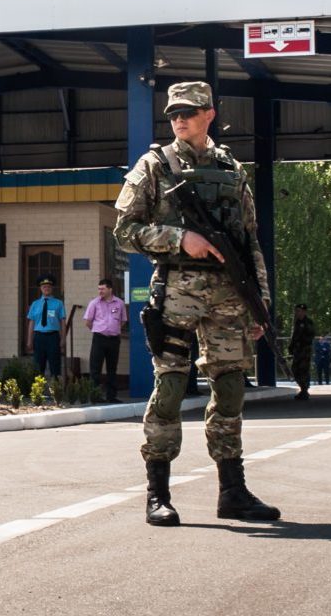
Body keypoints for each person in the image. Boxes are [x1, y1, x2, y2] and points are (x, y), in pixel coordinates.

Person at [115, 80, 281, 527]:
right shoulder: (154, 165)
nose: (179, 119)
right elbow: (125, 231)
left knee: (230, 390)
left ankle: (232, 492)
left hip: (230, 296)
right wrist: (178, 238)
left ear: (210, 112)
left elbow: (250, 243)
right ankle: (158, 493)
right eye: (172, 114)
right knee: (170, 387)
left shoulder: (231, 168)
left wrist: (259, 303)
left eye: (188, 111)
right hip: (178, 291)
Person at [83, 277, 127, 403]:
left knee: (112, 369)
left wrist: (112, 329)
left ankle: (111, 396)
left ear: (110, 289)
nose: (100, 291)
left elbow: (123, 321)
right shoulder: (94, 303)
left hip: (114, 340)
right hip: (99, 338)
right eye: (99, 289)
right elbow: (88, 322)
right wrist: (99, 329)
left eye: (102, 289)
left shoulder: (119, 303)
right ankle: (95, 396)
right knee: (95, 368)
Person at [25, 275, 67, 378]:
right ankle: (38, 391)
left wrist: (63, 338)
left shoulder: (58, 303)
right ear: (40, 289)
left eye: (48, 287)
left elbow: (62, 322)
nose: (46, 289)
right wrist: (29, 340)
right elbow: (31, 322)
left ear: (52, 288)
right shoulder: (35, 304)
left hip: (53, 337)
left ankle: (55, 390)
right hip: (39, 337)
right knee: (38, 366)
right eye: (44, 287)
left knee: (55, 365)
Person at [290, 303, 315, 399]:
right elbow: (294, 336)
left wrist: (303, 342)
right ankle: (303, 388)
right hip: (297, 350)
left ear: (304, 311)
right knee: (295, 369)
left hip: (304, 350)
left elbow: (310, 336)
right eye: (296, 311)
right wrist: (291, 346)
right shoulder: (297, 323)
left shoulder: (308, 323)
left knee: (303, 369)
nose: (297, 313)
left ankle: (304, 390)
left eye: (299, 311)